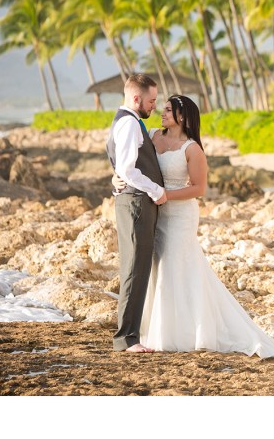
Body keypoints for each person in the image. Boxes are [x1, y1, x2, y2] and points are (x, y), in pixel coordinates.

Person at [115, 94, 274, 376]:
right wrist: (117, 177)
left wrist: (166, 195)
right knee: (159, 266)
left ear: (182, 116)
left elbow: (199, 188)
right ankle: (155, 328)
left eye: (168, 109)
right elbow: (129, 160)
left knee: (178, 265)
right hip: (156, 210)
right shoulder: (153, 135)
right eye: (163, 108)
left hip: (179, 214)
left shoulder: (192, 149)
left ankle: (186, 333)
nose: (162, 112)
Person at [106, 73, 167, 353]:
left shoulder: (127, 121)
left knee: (138, 267)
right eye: (151, 100)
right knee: (134, 269)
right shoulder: (130, 123)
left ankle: (131, 335)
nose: (154, 105)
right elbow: (127, 170)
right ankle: (126, 338)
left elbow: (122, 169)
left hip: (133, 201)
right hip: (136, 203)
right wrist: (156, 190)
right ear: (136, 98)